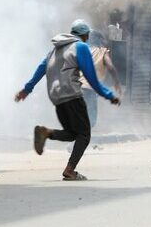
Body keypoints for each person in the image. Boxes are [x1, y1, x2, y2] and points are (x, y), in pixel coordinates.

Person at [15, 19, 121, 181]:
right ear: (85, 35)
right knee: (84, 134)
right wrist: (108, 95)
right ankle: (70, 170)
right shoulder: (81, 47)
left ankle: (46, 133)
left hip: (56, 97)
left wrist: (26, 89)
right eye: (86, 36)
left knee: (73, 134)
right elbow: (90, 76)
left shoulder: (54, 50)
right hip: (72, 94)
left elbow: (40, 69)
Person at [79, 31, 122, 127]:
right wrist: (117, 83)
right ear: (99, 41)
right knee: (91, 121)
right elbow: (111, 67)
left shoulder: (82, 50)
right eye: (102, 39)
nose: (104, 42)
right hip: (89, 89)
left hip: (77, 87)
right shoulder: (102, 51)